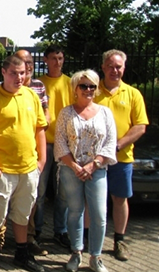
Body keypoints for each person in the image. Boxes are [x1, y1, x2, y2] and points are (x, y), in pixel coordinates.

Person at [0, 55, 47, 272]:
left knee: (23, 214)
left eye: (23, 73)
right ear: (3, 72)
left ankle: (21, 253)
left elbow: (39, 129)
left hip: (28, 169)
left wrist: (42, 160)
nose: (19, 77)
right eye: (14, 73)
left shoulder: (31, 96)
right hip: (3, 171)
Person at [54, 69, 117, 272]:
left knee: (99, 213)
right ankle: (76, 252)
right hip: (70, 169)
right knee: (75, 211)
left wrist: (93, 165)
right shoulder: (66, 113)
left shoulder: (105, 112)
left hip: (97, 170)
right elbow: (60, 143)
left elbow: (110, 142)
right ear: (75, 88)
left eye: (92, 86)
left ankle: (96, 256)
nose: (88, 90)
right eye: (84, 86)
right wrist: (74, 166)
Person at [95, 49, 148, 261]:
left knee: (120, 198)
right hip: (94, 158)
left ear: (123, 68)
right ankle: (89, 239)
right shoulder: (91, 90)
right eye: (110, 66)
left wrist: (117, 145)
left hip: (122, 157)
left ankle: (119, 240)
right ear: (103, 67)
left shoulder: (133, 94)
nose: (114, 70)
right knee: (93, 199)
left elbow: (140, 126)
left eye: (118, 66)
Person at [0, 49, 49, 257]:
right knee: (1, 205)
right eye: (21, 63)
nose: (26, 67)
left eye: (29, 63)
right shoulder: (1, 92)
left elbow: (43, 118)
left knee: (30, 202)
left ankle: (27, 241)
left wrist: (42, 158)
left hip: (31, 157)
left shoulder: (37, 88)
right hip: (6, 162)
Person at [38, 45, 73, 249]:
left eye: (60, 58)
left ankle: (61, 231)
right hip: (44, 144)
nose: (57, 62)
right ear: (45, 60)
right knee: (40, 191)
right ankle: (38, 230)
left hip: (65, 145)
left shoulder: (70, 83)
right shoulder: (39, 84)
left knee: (63, 192)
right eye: (53, 58)